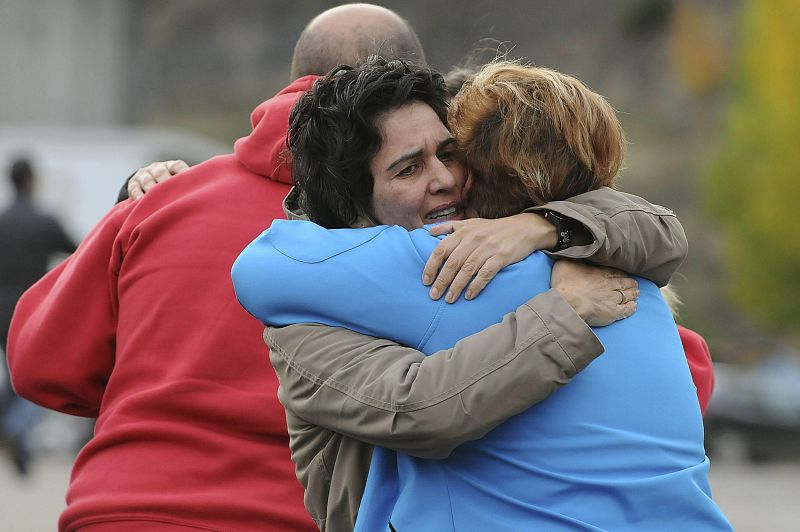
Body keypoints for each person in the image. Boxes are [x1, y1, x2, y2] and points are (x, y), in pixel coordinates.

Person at [5, 5, 679, 531]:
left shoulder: (163, 199)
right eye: (413, 161)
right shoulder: (448, 238)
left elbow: (38, 363)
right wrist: (549, 238)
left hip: (120, 509)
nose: (441, 177)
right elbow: (671, 368)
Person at [231, 58, 730, 530]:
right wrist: (563, 312)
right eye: (409, 169)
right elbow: (419, 408)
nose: (445, 180)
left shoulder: (526, 254)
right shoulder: (375, 284)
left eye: (449, 154)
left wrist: (539, 227)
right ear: (353, 209)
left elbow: (655, 228)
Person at [0, 158, 76, 476]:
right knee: (31, 380)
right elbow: (81, 252)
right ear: (31, 180)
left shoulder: (2, 221)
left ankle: (19, 447)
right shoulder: (45, 221)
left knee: (11, 380)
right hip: (29, 313)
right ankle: (13, 428)